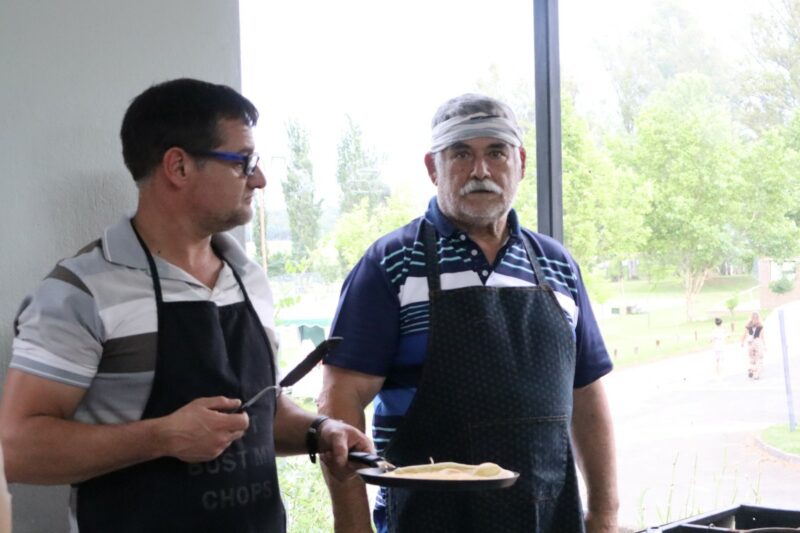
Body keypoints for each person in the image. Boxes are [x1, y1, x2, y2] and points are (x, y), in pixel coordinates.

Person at [0, 78, 371, 533]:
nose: (259, 178)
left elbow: (258, 414)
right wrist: (162, 436)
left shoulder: (248, 278)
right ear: (178, 166)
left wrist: (320, 431)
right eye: (244, 162)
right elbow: (16, 450)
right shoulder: (81, 291)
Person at [318, 94, 619, 533]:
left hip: (549, 520)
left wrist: (604, 516)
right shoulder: (391, 264)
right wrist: (354, 527)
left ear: (519, 161)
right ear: (432, 167)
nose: (480, 171)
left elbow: (587, 396)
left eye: (496, 153)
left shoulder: (557, 266)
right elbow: (339, 398)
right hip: (426, 522)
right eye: (461, 154)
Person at [741, 311, 766, 380]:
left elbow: (744, 335)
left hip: (750, 344)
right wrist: (764, 345)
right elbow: (762, 337)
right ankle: (756, 375)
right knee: (758, 359)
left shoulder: (748, 326)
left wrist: (742, 342)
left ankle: (751, 368)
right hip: (757, 343)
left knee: (752, 359)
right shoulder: (760, 326)